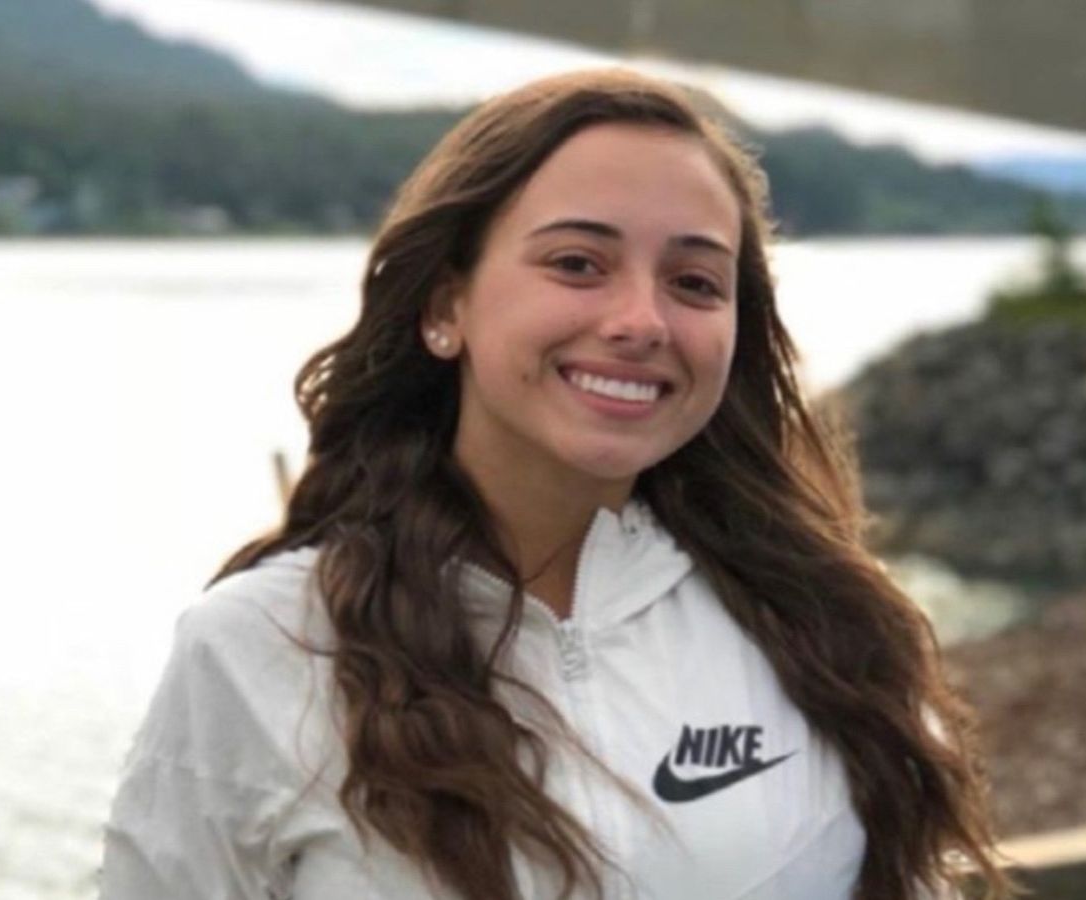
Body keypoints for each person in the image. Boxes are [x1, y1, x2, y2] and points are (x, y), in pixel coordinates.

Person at [99, 69, 1011, 900]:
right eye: (578, 263)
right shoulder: (261, 646)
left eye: (695, 282)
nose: (641, 320)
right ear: (445, 304)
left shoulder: (826, 627)